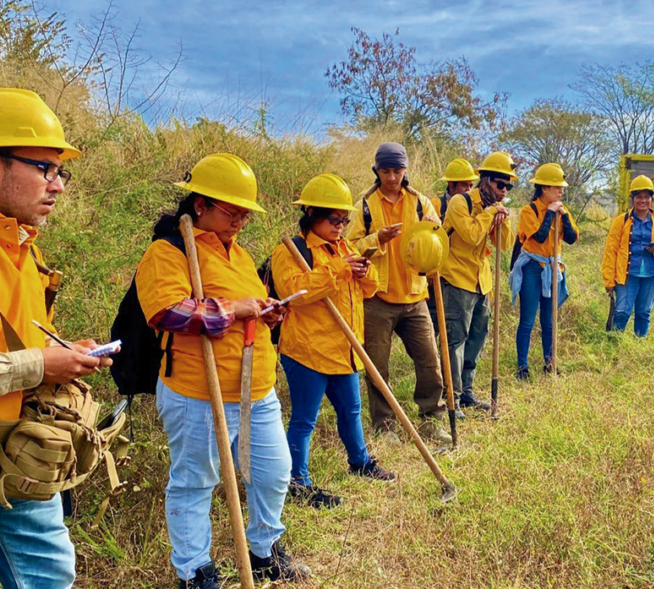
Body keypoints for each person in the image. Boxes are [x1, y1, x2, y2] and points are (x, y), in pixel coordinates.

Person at [135, 153, 309, 588]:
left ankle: (264, 548)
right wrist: (234, 309)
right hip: (197, 392)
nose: (241, 221)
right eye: (233, 212)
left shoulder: (242, 256)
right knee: (196, 482)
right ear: (200, 205)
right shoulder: (169, 250)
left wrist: (264, 312)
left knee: (274, 472)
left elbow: (246, 306)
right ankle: (194, 571)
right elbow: (167, 311)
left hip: (256, 389)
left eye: (245, 214)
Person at [0, 88, 113, 589]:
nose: (58, 185)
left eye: (60, 171)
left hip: (15, 452)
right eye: (44, 168)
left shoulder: (22, 248)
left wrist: (62, 352)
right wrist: (45, 365)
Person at [270, 173, 395, 510]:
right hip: (307, 350)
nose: (340, 225)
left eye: (344, 219)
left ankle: (361, 463)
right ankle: (298, 482)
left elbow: (371, 289)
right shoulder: (292, 251)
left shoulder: (345, 247)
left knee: (351, 410)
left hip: (345, 347)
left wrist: (363, 272)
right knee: (304, 419)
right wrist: (337, 270)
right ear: (312, 215)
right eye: (333, 219)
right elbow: (292, 293)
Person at [343, 142, 451, 445]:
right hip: (378, 298)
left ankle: (432, 418)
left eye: (397, 170)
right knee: (378, 367)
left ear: (406, 171)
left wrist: (433, 229)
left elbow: (437, 237)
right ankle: (385, 425)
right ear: (376, 170)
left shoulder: (420, 202)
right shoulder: (363, 205)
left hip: (416, 296)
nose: (392, 177)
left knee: (430, 361)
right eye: (386, 171)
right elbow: (350, 248)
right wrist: (377, 238)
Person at [439, 152, 514, 412]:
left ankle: (467, 393)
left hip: (482, 282)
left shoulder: (493, 208)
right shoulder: (460, 203)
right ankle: (452, 398)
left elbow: (504, 245)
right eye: (500, 184)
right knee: (455, 342)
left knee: (477, 339)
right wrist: (489, 214)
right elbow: (471, 235)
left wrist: (502, 221)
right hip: (457, 278)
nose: (504, 190)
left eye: (508, 186)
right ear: (485, 181)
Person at [509, 163, 579, 380]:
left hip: (552, 267)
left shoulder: (561, 209)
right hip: (532, 268)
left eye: (561, 188)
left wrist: (564, 216)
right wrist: (549, 213)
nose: (561, 191)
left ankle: (550, 362)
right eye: (557, 187)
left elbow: (572, 238)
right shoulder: (528, 210)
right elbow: (538, 236)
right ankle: (522, 366)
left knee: (549, 320)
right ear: (544, 188)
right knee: (528, 319)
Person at [600, 175, 654, 337]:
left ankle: (639, 344)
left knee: (644, 313)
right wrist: (608, 280)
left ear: (651, 199)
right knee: (622, 312)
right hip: (627, 275)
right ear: (632, 199)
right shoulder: (620, 221)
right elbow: (610, 252)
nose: (643, 201)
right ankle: (614, 346)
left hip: (651, 275)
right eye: (639, 197)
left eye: (646, 197)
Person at [428, 158, 478, 335]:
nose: (469, 190)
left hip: (458, 276)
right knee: (433, 326)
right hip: (437, 275)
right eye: (465, 185)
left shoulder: (472, 207)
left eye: (471, 185)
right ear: (451, 184)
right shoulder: (436, 205)